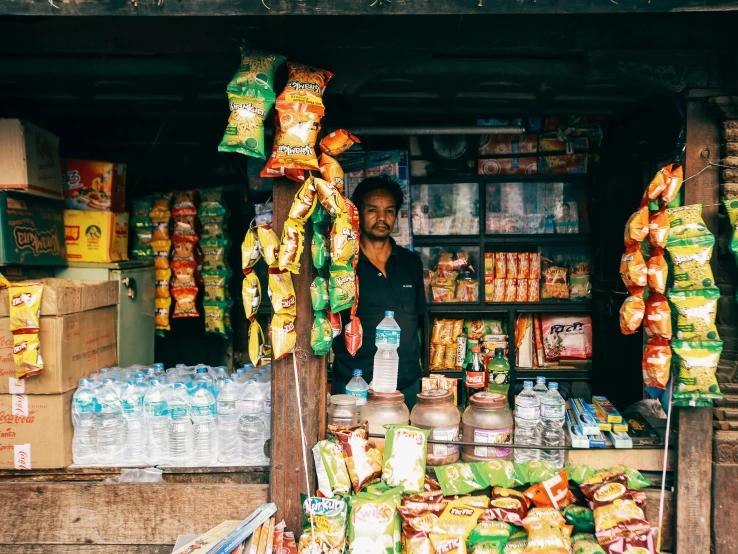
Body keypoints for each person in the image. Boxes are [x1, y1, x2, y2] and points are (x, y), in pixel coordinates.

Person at [332, 174, 427, 411]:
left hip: (406, 383)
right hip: (354, 383)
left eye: (390, 211)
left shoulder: (411, 263)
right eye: (372, 210)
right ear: (358, 214)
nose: (382, 218)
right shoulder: (343, 264)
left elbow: (421, 319)